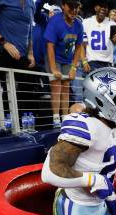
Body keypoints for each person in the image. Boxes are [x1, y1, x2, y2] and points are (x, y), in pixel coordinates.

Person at [41, 67, 116, 215]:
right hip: (76, 205)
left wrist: (110, 193)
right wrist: (94, 180)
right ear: (102, 99)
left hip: (100, 202)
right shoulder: (86, 126)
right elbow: (49, 173)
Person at [44, 0, 84, 128]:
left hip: (68, 59)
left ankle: (65, 118)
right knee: (56, 87)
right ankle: (56, 119)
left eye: (76, 7)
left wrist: (73, 67)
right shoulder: (55, 21)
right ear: (63, 6)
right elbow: (50, 46)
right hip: (53, 57)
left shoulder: (79, 24)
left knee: (66, 88)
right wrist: (54, 68)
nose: (74, 10)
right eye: (71, 6)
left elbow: (79, 47)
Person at [81, 0, 116, 71]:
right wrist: (84, 61)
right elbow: (82, 45)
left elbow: (114, 43)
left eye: (105, 7)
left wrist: (114, 40)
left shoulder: (112, 24)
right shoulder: (86, 22)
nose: (103, 8)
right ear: (95, 8)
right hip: (92, 62)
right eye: (100, 5)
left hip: (107, 63)